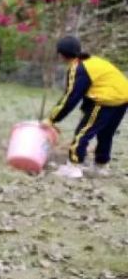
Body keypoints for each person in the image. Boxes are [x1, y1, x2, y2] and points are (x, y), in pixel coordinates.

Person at [44, 36, 128, 178]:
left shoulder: (78, 68)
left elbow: (70, 97)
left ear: (61, 55)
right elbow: (94, 86)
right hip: (123, 99)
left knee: (82, 132)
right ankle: (101, 165)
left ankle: (73, 167)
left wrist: (52, 119)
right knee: (106, 133)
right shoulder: (92, 61)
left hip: (105, 101)